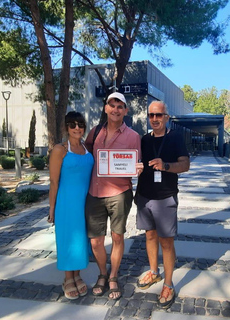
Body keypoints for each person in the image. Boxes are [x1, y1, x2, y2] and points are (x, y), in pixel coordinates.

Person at [85, 92, 143, 300]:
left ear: (126, 111)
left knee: (117, 236)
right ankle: (102, 273)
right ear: (106, 108)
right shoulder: (95, 132)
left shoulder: (133, 136)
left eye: (120, 106)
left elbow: (137, 163)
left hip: (120, 193)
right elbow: (85, 155)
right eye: (112, 105)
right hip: (95, 192)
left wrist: (138, 168)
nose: (116, 109)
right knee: (95, 242)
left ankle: (113, 276)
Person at [135, 101, 190, 309]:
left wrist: (165, 165)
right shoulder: (144, 140)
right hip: (145, 196)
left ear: (166, 117)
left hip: (165, 197)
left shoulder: (175, 137)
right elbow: (135, 161)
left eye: (159, 115)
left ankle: (168, 284)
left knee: (166, 242)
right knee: (149, 235)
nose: (155, 119)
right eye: (151, 115)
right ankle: (154, 272)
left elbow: (185, 165)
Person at [48, 111, 94, 300]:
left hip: (86, 201)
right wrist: (51, 208)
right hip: (67, 202)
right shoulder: (60, 150)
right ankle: (68, 278)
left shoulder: (87, 148)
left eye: (80, 125)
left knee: (80, 239)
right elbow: (53, 182)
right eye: (73, 124)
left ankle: (77, 275)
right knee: (68, 238)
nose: (77, 128)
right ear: (66, 127)